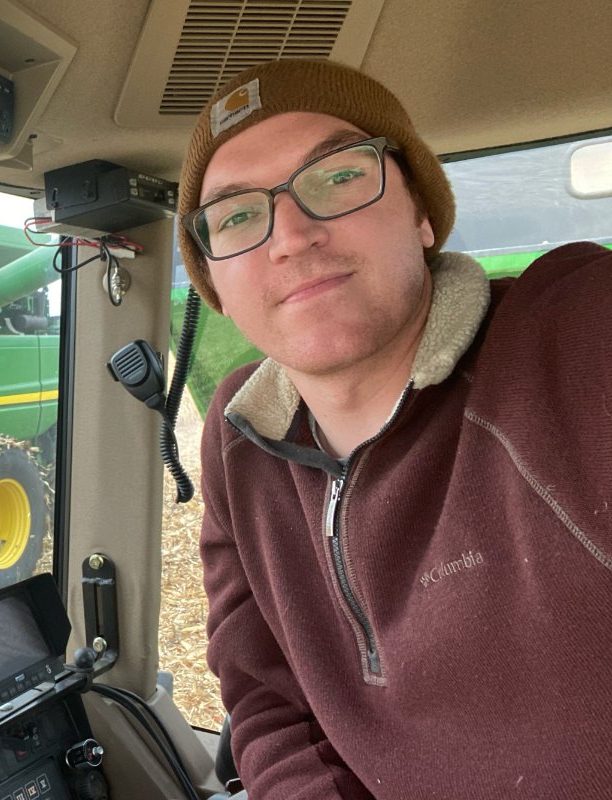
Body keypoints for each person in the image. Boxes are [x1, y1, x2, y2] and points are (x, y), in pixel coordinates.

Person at [176, 59, 612, 798]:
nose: (289, 235)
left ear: (422, 213)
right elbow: (266, 699)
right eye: (238, 215)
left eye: (339, 176)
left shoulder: (570, 337)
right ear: (213, 282)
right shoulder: (237, 434)